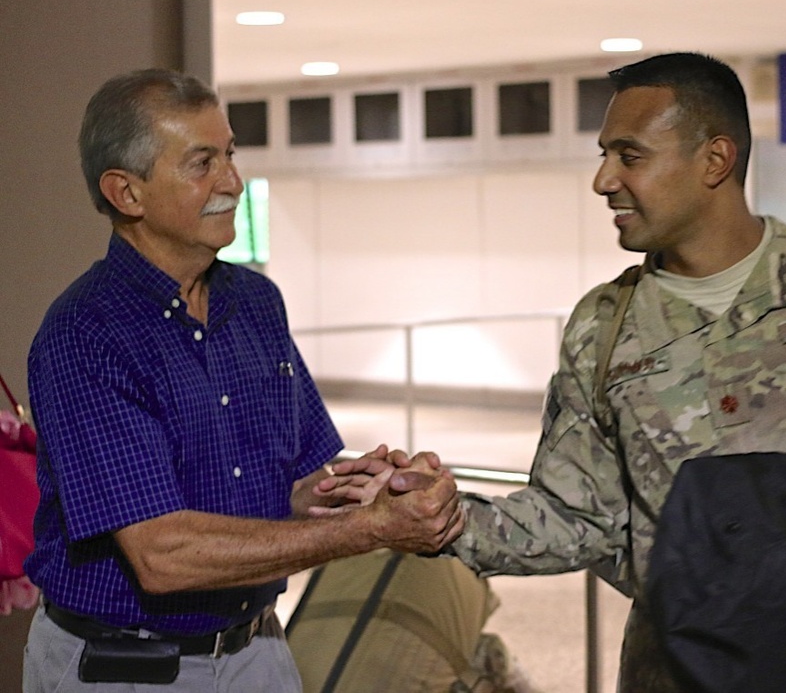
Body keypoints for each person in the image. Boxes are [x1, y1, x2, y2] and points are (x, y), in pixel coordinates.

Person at [328, 52, 786, 690]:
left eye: (630, 156)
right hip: (677, 673)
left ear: (714, 159)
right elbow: (575, 516)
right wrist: (444, 521)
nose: (603, 180)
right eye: (604, 156)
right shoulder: (605, 324)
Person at [22, 68, 464, 692]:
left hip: (256, 650)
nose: (232, 181)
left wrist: (364, 490)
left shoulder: (257, 303)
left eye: (229, 154)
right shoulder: (86, 335)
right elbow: (162, 554)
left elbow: (290, 484)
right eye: (202, 162)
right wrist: (368, 530)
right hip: (126, 669)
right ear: (126, 192)